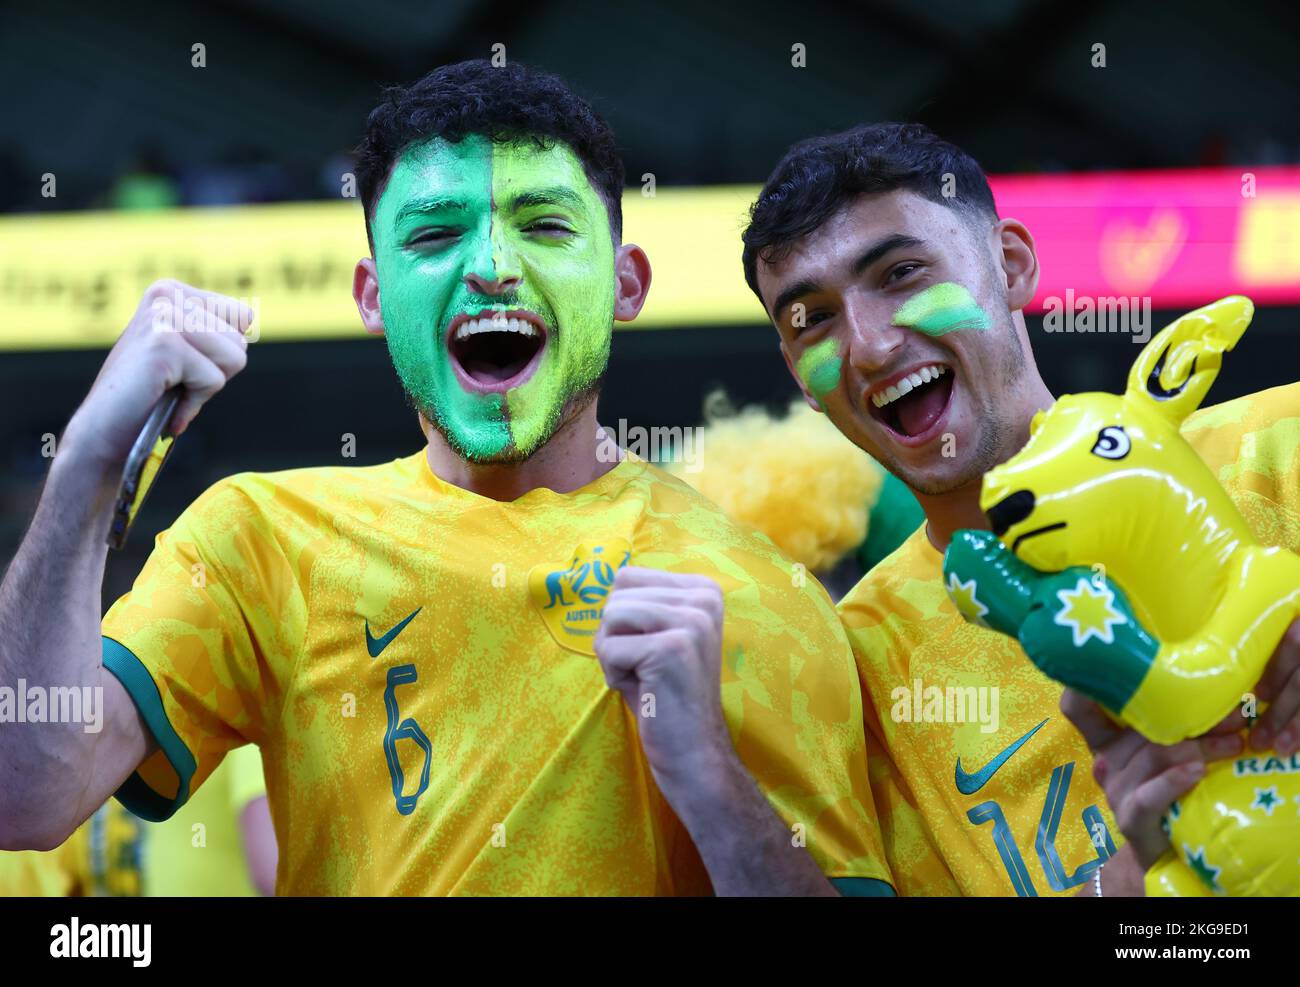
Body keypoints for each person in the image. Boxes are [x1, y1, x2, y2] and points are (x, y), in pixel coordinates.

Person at [0, 61, 893, 896]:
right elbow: (24, 794)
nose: (493, 267)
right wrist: (86, 457)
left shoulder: (756, 593)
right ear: (372, 296)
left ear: (627, 284)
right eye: (433, 235)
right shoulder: (259, 539)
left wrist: (707, 772)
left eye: (545, 226)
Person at [741, 121, 1300, 896]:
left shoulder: (1281, 450)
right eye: (814, 320)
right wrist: (1135, 891)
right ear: (800, 375)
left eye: (901, 272)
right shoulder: (850, 678)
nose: (868, 345)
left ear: (1010, 264)